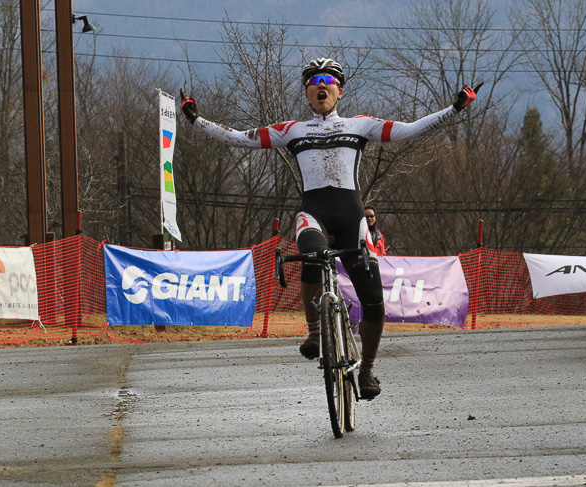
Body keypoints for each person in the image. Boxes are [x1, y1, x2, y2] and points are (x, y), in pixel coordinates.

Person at [179, 58, 480, 399]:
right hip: (314, 213)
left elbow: (408, 130)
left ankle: (367, 370)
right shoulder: (292, 130)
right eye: (314, 80)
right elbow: (239, 138)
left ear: (339, 90)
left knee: (373, 300)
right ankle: (313, 331)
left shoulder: (360, 125)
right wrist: (195, 119)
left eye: (329, 80)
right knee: (309, 253)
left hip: (351, 217)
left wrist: (453, 110)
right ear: (307, 92)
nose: (321, 85)